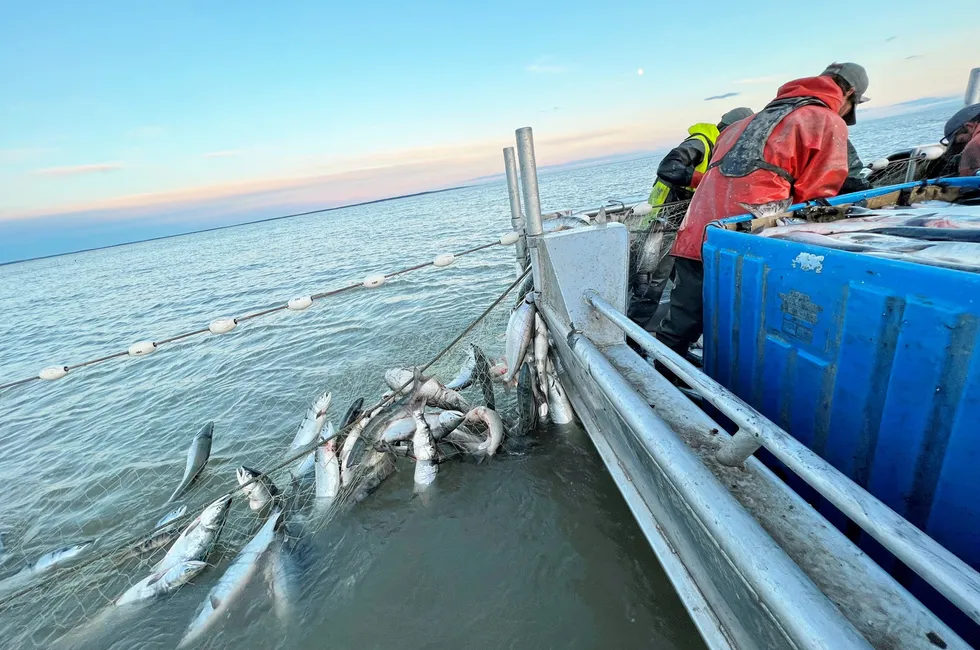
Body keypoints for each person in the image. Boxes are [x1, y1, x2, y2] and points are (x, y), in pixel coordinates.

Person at [655, 62, 869, 363]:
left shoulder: (736, 127)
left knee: (680, 326)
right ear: (848, 93)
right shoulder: (825, 121)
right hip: (750, 243)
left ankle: (660, 384)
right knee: (749, 327)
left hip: (695, 237)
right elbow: (817, 201)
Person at [628, 107, 754, 326]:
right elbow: (668, 167)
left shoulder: (723, 151)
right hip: (661, 227)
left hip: (684, 229)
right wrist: (704, 180)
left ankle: (672, 338)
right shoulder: (701, 142)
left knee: (686, 289)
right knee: (650, 288)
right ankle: (631, 342)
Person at [945, 103, 980, 177]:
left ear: (969, 126)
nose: (964, 146)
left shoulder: (974, 146)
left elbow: (967, 183)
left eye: (962, 140)